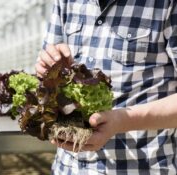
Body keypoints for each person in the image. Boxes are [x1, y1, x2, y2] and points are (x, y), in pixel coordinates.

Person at [35, 0, 177, 174]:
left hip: (140, 167)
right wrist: (48, 68)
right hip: (68, 168)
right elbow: (45, 74)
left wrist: (122, 121)